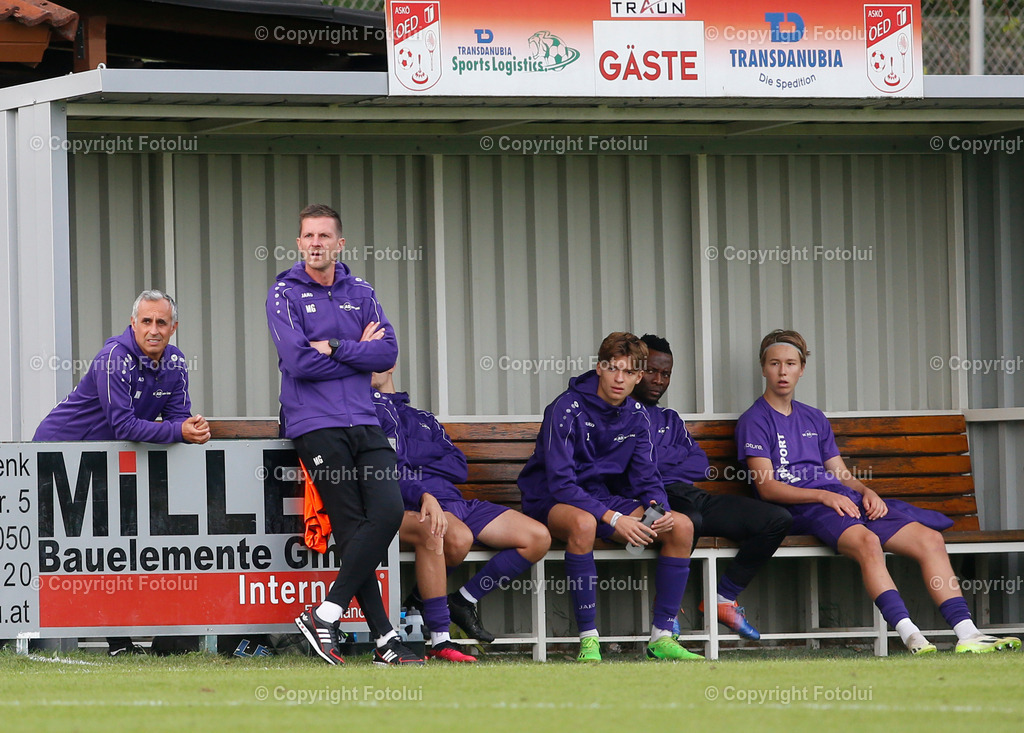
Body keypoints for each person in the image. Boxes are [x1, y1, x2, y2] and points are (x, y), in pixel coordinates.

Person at [736, 328, 1022, 655]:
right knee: (868, 542)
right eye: (774, 363)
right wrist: (823, 496)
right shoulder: (754, 420)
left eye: (790, 364)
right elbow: (767, 487)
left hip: (845, 502)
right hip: (806, 509)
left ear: (802, 369)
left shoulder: (814, 418)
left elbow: (840, 473)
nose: (782, 371)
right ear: (763, 367)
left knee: (930, 539)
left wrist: (866, 490)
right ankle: (911, 634)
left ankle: (968, 633)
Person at [268, 203, 420, 666]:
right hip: (315, 425)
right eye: (308, 236)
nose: (316, 243)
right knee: (353, 527)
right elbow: (297, 362)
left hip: (364, 419)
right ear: (299, 243)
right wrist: (359, 351)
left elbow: (388, 354)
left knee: (389, 512)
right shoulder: (283, 292)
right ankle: (386, 641)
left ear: (340, 244)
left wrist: (334, 345)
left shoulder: (362, 291)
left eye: (324, 236)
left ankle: (326, 612)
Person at [34, 289, 211, 656]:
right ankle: (101, 640)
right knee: (66, 551)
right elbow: (125, 426)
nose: (153, 329)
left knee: (111, 547)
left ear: (173, 327)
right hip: (59, 452)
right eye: (146, 321)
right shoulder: (114, 358)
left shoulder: (176, 363)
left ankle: (125, 642)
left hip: (105, 460)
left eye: (161, 322)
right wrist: (180, 432)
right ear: (133, 323)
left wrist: (192, 428)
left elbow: (178, 418)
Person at [518, 332, 702, 662]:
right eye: (614, 368)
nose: (620, 379)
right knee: (584, 523)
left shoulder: (637, 415)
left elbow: (647, 476)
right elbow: (560, 483)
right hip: (550, 499)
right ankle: (589, 640)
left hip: (602, 500)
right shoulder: (565, 407)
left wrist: (659, 508)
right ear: (600, 367)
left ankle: (661, 637)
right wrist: (615, 518)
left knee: (681, 527)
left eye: (630, 372)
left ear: (638, 376)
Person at [372, 366, 550, 661]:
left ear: (389, 364)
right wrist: (427, 454)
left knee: (538, 537)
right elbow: (391, 465)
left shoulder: (424, 418)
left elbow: (458, 466)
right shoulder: (365, 412)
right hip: (415, 506)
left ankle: (462, 599)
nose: (367, 367)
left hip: (457, 502)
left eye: (374, 360)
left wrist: (409, 452)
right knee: (457, 537)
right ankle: (439, 634)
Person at [632, 334, 791, 640]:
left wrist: (660, 457)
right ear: (635, 369)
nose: (658, 380)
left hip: (692, 494)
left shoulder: (670, 419)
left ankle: (722, 598)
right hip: (653, 501)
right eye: (652, 370)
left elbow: (699, 464)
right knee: (690, 520)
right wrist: (669, 457)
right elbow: (636, 467)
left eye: (666, 374)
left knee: (776, 519)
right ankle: (666, 609)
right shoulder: (621, 416)